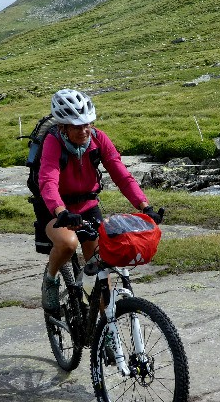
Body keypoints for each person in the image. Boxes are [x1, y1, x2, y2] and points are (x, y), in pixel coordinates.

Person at [38, 88, 162, 314]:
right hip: (56, 209)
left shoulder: (98, 138)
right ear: (63, 127)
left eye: (88, 124)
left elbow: (121, 175)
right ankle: (51, 280)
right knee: (68, 244)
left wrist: (145, 206)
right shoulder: (52, 142)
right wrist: (61, 212)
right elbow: (48, 181)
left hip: (87, 206)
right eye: (77, 126)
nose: (84, 130)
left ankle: (106, 333)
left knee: (101, 270)